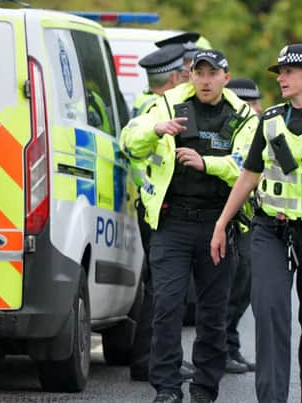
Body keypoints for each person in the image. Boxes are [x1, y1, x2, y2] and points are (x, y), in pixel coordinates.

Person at [210, 44, 302, 403]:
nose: (281, 77)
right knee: (270, 314)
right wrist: (221, 224)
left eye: (289, 71)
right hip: (271, 230)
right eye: (280, 71)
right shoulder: (270, 119)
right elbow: (248, 176)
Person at [120, 49, 258, 403]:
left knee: (213, 314)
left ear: (226, 77)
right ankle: (167, 388)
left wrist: (206, 163)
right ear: (191, 75)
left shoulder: (242, 116)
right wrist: (155, 129)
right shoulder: (167, 105)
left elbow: (246, 166)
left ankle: (204, 390)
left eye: (213, 73)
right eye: (200, 73)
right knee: (167, 305)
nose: (206, 80)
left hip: (218, 224)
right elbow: (129, 140)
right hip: (172, 222)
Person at [127, 43, 196, 382]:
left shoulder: (146, 104)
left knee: (160, 285)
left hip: (153, 204)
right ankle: (148, 359)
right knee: (161, 287)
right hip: (157, 207)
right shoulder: (155, 109)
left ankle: (159, 357)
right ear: (173, 76)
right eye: (184, 72)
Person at [219, 77, 265, 374]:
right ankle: (219, 349)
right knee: (229, 286)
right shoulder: (226, 132)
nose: (257, 108)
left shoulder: (258, 131)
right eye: (251, 102)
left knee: (245, 285)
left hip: (250, 219)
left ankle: (230, 345)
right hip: (228, 218)